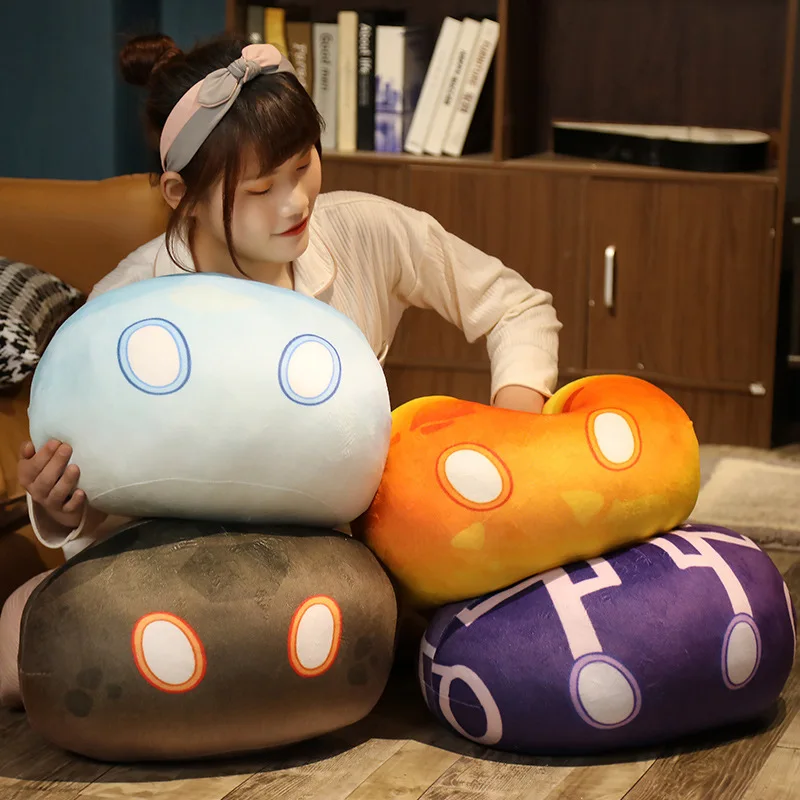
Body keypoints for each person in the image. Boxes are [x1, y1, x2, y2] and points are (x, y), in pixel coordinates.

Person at [1, 33, 560, 707]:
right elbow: (101, 513)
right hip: (173, 567)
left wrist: (514, 427)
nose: (296, 203)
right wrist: (62, 504)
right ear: (183, 195)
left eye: (303, 164)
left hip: (338, 554)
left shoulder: (363, 232)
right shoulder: (126, 307)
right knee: (23, 640)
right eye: (263, 188)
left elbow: (514, 306)